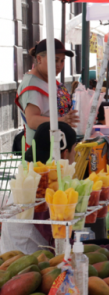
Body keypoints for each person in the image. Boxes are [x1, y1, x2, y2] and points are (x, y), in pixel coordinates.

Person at [0, 121, 77, 253]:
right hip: (29, 266)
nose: (76, 156)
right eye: (75, 151)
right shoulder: (40, 190)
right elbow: (61, 245)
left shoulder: (29, 179)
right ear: (64, 154)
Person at [16, 39, 79, 147]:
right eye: (55, 60)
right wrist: (62, 120)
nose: (59, 65)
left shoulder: (48, 79)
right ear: (39, 59)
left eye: (62, 61)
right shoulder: (32, 84)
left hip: (58, 145)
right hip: (42, 151)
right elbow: (32, 120)